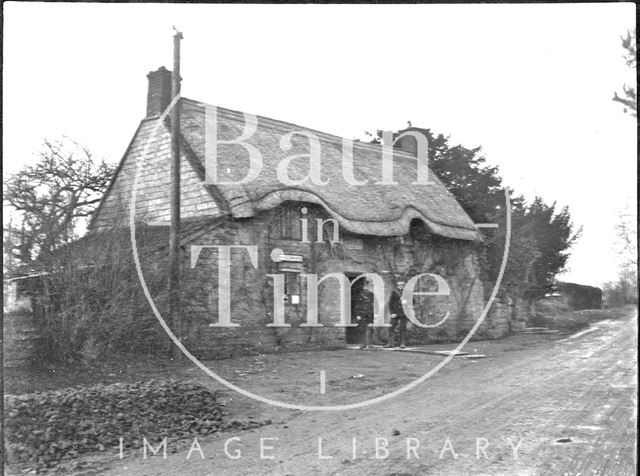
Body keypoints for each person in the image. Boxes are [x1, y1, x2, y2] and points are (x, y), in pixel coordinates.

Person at [353, 278, 375, 349]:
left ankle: (370, 344)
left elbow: (375, 305)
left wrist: (376, 313)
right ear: (363, 287)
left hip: (370, 314)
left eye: (368, 286)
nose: (367, 288)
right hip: (362, 314)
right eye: (366, 286)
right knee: (362, 329)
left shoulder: (372, 295)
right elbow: (356, 305)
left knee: (370, 329)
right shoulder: (360, 295)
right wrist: (357, 315)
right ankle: (363, 344)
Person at [386, 280, 408, 348]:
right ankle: (390, 343)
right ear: (398, 285)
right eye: (400, 284)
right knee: (390, 328)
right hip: (395, 313)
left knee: (402, 328)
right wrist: (392, 313)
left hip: (404, 313)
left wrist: (407, 301)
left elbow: (413, 302)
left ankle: (402, 344)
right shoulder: (394, 292)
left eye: (402, 284)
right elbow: (390, 303)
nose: (401, 286)